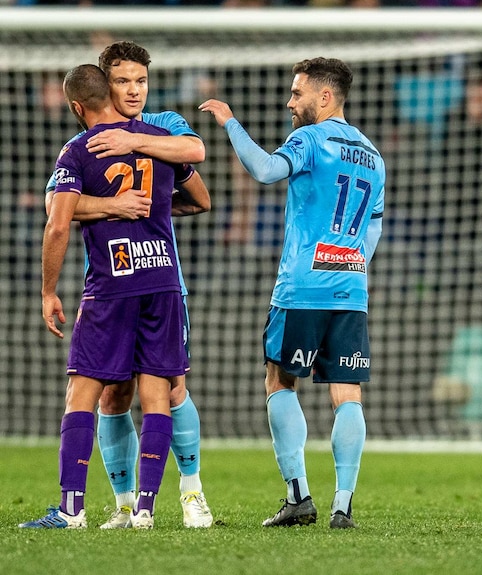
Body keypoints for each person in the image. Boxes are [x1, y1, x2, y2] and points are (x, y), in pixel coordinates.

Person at [20, 64, 209, 530]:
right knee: (158, 393)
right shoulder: (155, 139)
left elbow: (57, 220)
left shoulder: (78, 149)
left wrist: (47, 291)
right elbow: (201, 198)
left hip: (112, 283)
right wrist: (136, 207)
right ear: (110, 89)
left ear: (76, 107)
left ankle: (71, 509)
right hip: (163, 278)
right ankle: (143, 509)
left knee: (83, 392)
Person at [199, 57, 384, 529]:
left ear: (325, 97)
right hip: (350, 288)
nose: (290, 102)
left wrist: (230, 122)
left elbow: (263, 170)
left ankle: (299, 496)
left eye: (297, 93)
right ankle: (343, 505)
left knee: (279, 380)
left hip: (302, 286)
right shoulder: (372, 154)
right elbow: (374, 225)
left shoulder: (309, 139)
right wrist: (351, 262)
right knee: (348, 395)